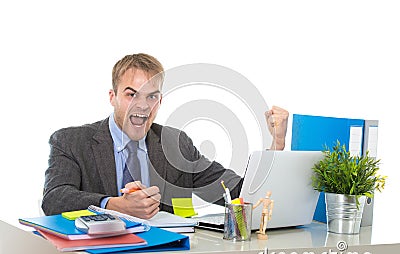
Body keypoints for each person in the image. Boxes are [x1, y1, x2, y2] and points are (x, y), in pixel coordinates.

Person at [42, 53, 289, 219]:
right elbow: (54, 198)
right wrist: (115, 204)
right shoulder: (71, 141)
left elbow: (237, 193)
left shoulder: (175, 144)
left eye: (151, 96)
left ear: (160, 101)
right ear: (112, 96)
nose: (142, 105)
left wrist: (275, 145)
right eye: (131, 94)